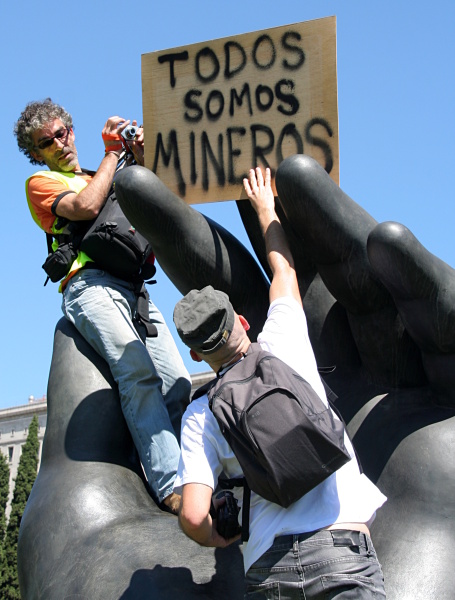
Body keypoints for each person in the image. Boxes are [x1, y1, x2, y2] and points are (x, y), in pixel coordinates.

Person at [172, 167, 387, 598]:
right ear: (245, 322)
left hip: (268, 571)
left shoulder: (200, 415)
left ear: (195, 354)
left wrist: (220, 538)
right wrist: (265, 208)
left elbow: (194, 517)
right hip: (340, 548)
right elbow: (283, 270)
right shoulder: (283, 342)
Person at [14, 98, 191, 513]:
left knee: (179, 382)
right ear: (36, 153)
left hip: (135, 291)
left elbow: (154, 199)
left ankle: (200, 478)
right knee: (137, 371)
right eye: (47, 142)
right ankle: (170, 486)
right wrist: (114, 153)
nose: (60, 144)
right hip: (89, 286)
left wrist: (140, 154)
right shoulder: (41, 183)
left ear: (72, 131)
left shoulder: (104, 172)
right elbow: (86, 207)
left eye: (63, 133)